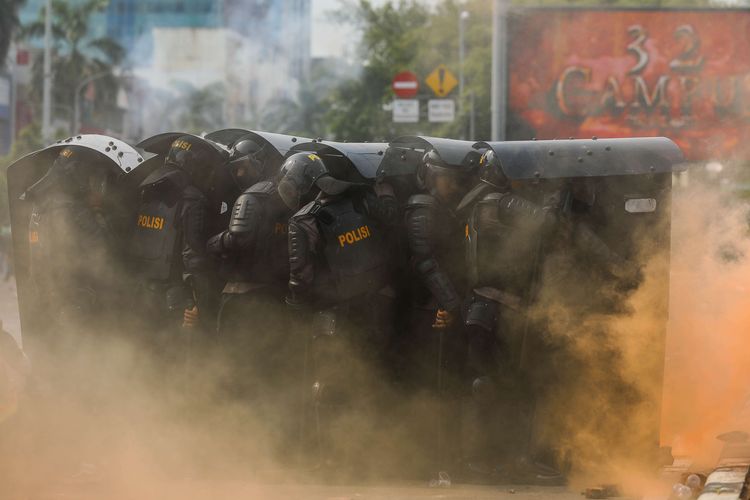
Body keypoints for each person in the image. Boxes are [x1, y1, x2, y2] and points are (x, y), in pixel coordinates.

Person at [279, 152, 394, 471]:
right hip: (373, 311)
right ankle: (367, 459)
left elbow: (300, 278)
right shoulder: (360, 199)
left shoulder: (303, 219)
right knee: (366, 382)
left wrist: (294, 313)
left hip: (331, 319)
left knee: (327, 386)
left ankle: (330, 460)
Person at [402, 148, 475, 475]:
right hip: (431, 310)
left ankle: (448, 460)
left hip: (445, 306)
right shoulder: (423, 210)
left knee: (450, 388)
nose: (452, 185)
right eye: (446, 178)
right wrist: (449, 303)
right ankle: (433, 462)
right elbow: (425, 261)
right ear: (431, 177)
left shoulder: (441, 209)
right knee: (434, 388)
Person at [130, 135, 227, 359]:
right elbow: (192, 256)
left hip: (142, 291)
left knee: (143, 358)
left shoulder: (148, 191)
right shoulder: (193, 199)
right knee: (172, 364)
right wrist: (198, 302)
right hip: (174, 298)